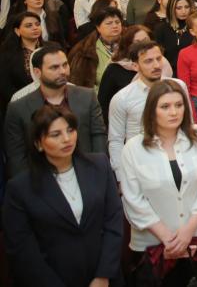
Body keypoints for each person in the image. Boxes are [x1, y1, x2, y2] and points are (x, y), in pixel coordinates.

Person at [2, 106, 124, 287]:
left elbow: (113, 220)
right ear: (38, 143)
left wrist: (103, 274)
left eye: (70, 130)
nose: (67, 139)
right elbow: (23, 251)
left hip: (104, 276)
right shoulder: (20, 188)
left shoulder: (99, 166)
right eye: (56, 134)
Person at [119, 80, 197, 287]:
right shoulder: (133, 149)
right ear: (151, 111)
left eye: (179, 105)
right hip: (153, 246)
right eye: (165, 106)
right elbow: (133, 200)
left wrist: (188, 232)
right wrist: (168, 239)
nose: (174, 112)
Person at [5, 44, 107, 178]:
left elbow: (99, 136)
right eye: (54, 67)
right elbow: (17, 156)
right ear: (37, 72)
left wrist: (98, 173)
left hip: (86, 174)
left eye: (65, 65)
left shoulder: (87, 97)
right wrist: (29, 186)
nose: (63, 71)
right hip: (40, 179)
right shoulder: (18, 108)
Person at [108, 41, 188, 176]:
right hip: (140, 165)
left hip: (179, 159)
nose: (156, 65)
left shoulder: (179, 86)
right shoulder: (122, 98)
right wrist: (121, 176)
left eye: (159, 59)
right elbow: (116, 140)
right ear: (135, 66)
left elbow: (187, 124)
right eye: (148, 61)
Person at [0, 11, 42, 120]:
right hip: (21, 106)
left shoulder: (51, 48)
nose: (35, 28)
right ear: (17, 31)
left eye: (37, 24)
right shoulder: (7, 54)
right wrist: (24, 103)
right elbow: (5, 85)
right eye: (29, 25)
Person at [153, 0, 193, 69]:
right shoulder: (161, 29)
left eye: (187, 7)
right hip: (168, 71)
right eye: (179, 8)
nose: (183, 11)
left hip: (192, 69)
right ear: (171, 9)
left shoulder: (194, 27)